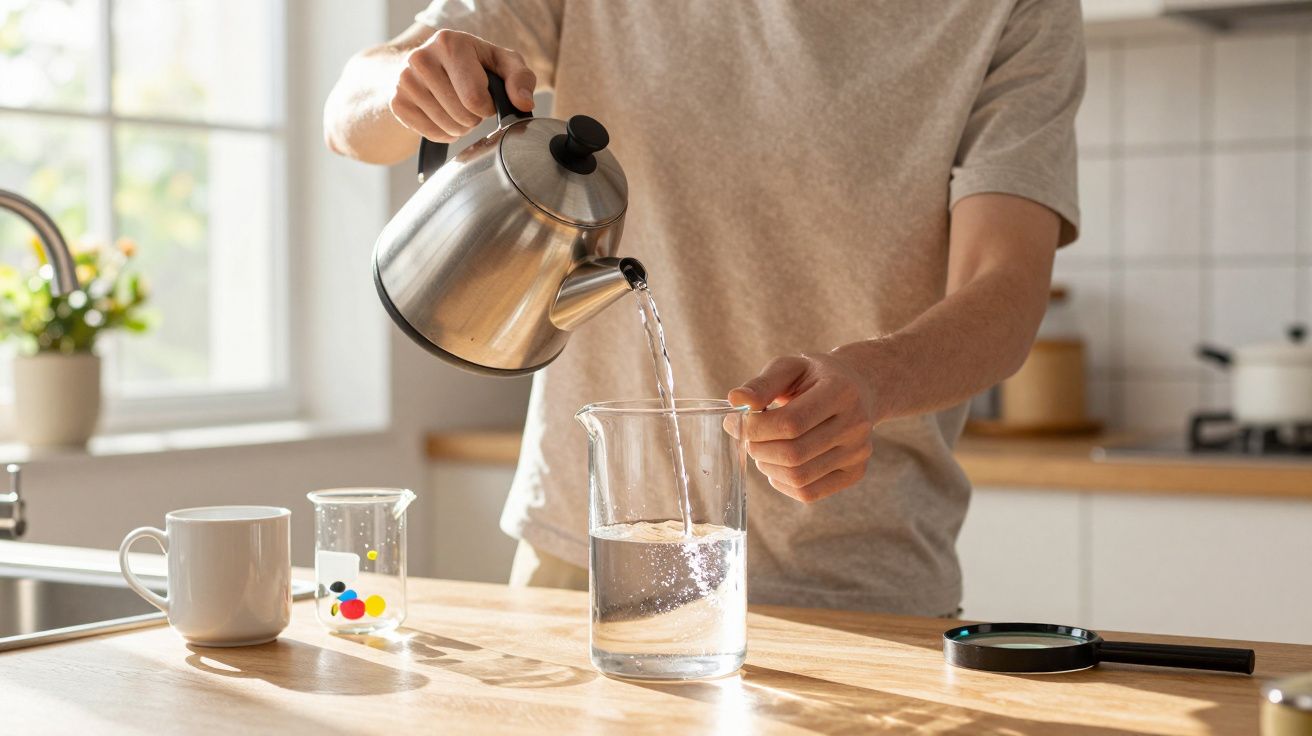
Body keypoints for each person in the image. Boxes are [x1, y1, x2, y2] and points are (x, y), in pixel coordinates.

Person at [325, 1, 1084, 615]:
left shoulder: (1020, 10)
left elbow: (1006, 285)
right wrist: (405, 82)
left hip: (855, 578)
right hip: (583, 557)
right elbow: (346, 114)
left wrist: (874, 378)